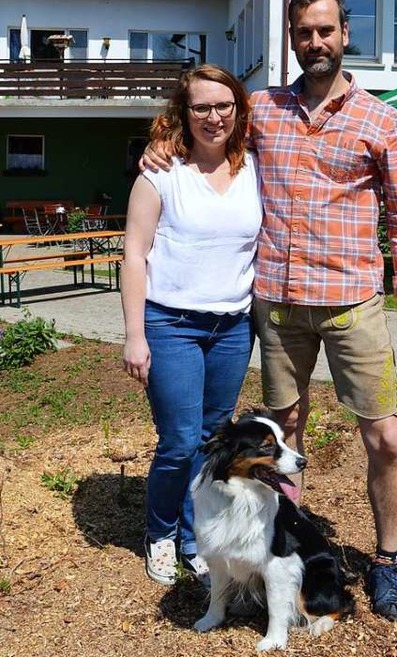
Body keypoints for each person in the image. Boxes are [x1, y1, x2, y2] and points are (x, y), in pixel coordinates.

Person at [143, 0, 397, 620]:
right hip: (275, 304)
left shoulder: (382, 121)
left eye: (325, 30)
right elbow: (204, 124)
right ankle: (287, 543)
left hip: (353, 300)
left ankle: (386, 561)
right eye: (303, 33)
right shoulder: (263, 110)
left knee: (383, 436)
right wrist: (161, 142)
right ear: (292, 40)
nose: (315, 43)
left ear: (345, 33)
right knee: (284, 433)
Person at [122, 64, 262, 587]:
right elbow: (133, 256)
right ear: (183, 113)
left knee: (210, 440)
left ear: (238, 110)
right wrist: (135, 335)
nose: (213, 116)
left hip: (231, 327)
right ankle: (160, 533)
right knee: (179, 440)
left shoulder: (255, 168)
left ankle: (192, 536)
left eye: (223, 105)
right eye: (200, 107)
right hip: (171, 324)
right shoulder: (160, 173)